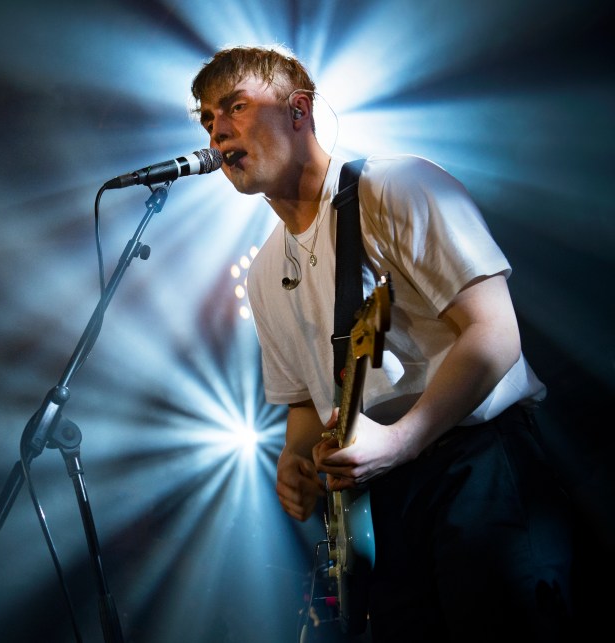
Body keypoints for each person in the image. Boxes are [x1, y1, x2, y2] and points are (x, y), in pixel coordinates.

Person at [189, 45, 575, 642]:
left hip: (473, 465)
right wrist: (296, 463)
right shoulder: (265, 271)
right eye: (208, 118)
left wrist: (401, 439)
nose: (218, 132)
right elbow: (304, 405)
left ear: (300, 110)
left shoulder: (397, 185)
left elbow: (495, 332)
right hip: (382, 501)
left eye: (235, 107)